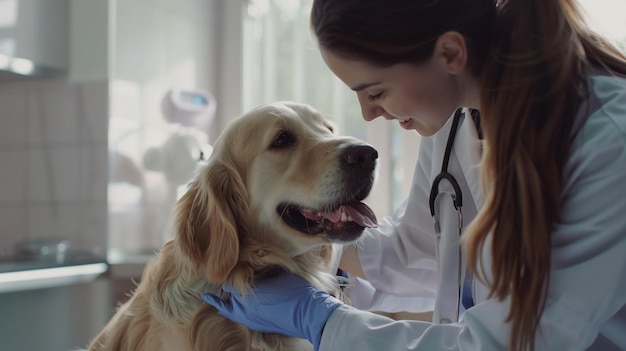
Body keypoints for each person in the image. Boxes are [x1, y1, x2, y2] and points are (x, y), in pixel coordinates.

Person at [202, 0, 626, 350]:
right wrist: (304, 245)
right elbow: (416, 249)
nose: (369, 114)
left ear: (449, 54)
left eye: (376, 91)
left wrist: (322, 320)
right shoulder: (454, 115)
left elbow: (509, 344)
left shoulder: (609, 141)